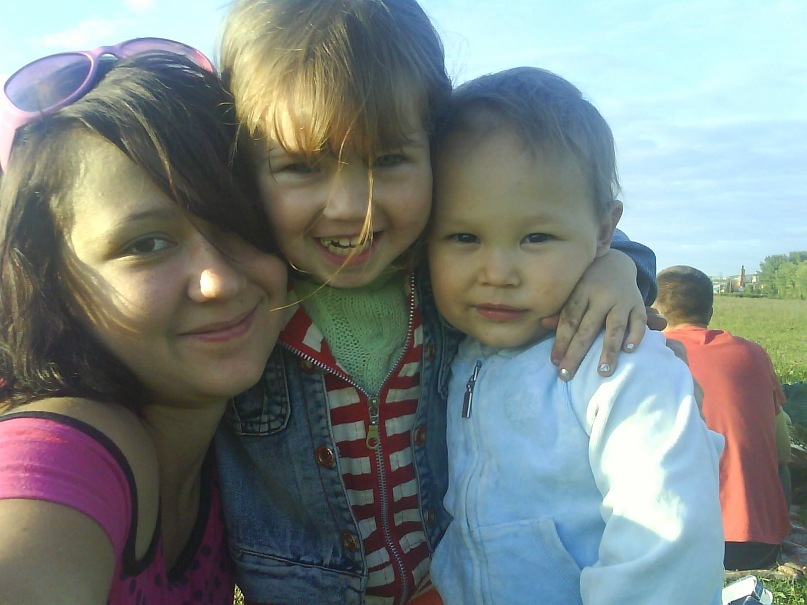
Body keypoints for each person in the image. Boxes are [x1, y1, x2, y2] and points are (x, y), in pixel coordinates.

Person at [215, 1, 659, 603]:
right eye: (299, 166)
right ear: (244, 166)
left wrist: (620, 267)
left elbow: (572, 226)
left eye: (388, 160)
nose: (351, 207)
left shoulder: (448, 270)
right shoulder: (234, 304)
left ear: (435, 148)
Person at [0, 45, 288, 603]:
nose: (219, 282)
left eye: (236, 220)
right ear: (52, 281)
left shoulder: (248, 456)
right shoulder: (66, 449)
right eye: (146, 245)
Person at [426, 67, 725, 604]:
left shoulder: (620, 363)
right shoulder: (458, 348)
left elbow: (666, 543)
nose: (497, 272)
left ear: (605, 231)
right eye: (463, 236)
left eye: (536, 237)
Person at [655, 265, 791, 571]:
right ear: (710, 311)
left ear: (656, 312)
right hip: (756, 548)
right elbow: (782, 453)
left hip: (676, 544)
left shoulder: (653, 355)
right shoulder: (754, 354)